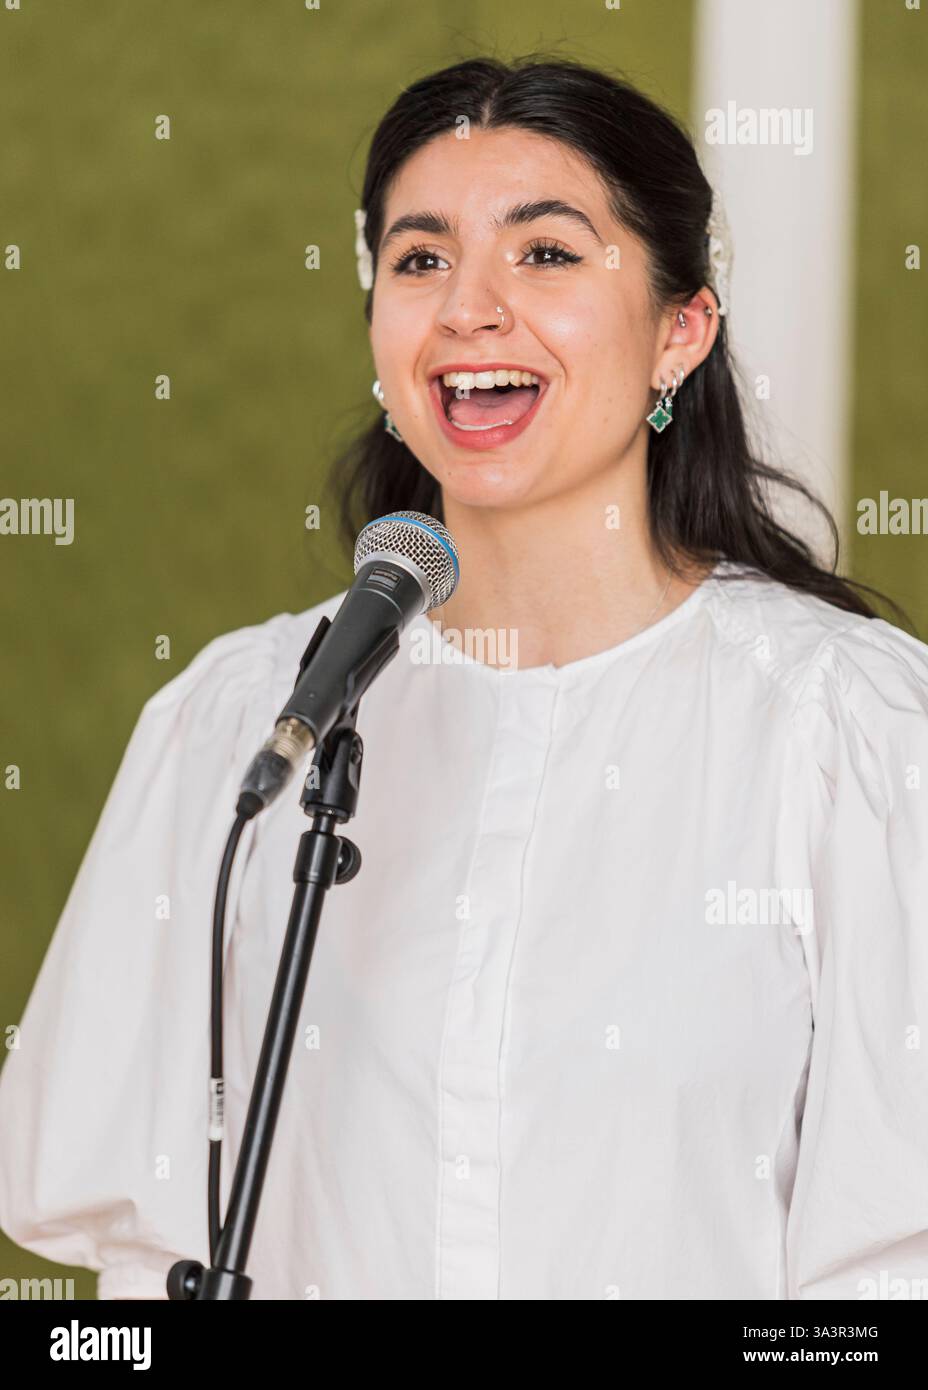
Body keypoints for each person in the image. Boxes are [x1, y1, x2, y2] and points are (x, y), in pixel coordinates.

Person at [1, 55, 927, 1302]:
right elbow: (134, 1269)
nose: (468, 309)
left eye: (545, 254)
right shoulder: (248, 720)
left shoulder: (849, 733)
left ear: (679, 331)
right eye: (419, 258)